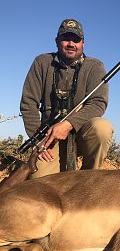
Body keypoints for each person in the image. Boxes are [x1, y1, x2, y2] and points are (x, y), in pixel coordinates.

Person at [20, 18, 113, 178]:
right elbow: (29, 104)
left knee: (101, 128)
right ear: (57, 41)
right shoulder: (42, 62)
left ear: (83, 43)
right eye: (66, 38)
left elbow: (98, 103)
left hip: (81, 133)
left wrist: (68, 124)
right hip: (50, 137)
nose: (71, 44)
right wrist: (38, 141)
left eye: (76, 39)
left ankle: (89, 178)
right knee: (38, 181)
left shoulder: (95, 66)